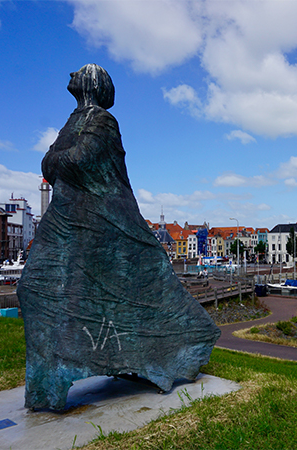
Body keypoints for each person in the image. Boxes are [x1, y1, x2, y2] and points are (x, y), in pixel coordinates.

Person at [18, 64, 220, 410]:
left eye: (79, 72)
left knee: (56, 292)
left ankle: (69, 371)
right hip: (67, 217)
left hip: (97, 221)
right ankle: (49, 377)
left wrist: (58, 160)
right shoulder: (74, 120)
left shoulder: (102, 121)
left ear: (93, 84)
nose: (69, 74)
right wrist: (59, 161)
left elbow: (76, 160)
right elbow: (48, 165)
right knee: (32, 287)